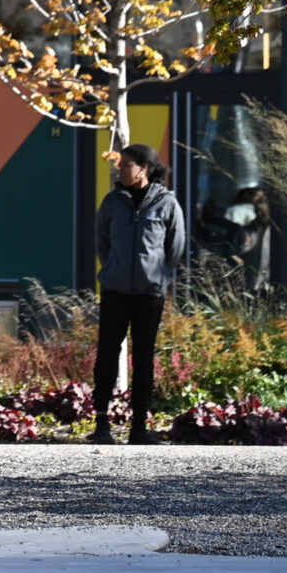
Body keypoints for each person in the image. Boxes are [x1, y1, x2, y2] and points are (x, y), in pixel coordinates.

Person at [88, 143, 186, 443]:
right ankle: (102, 425)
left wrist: (156, 276)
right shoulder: (112, 202)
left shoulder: (167, 203)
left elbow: (175, 247)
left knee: (143, 358)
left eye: (126, 164)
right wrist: (115, 269)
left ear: (143, 168)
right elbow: (101, 242)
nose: (120, 169)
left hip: (149, 294)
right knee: (107, 354)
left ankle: (138, 428)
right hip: (116, 291)